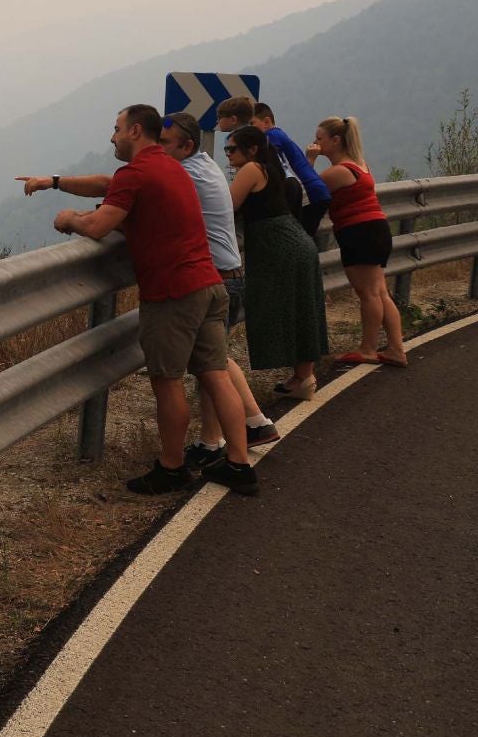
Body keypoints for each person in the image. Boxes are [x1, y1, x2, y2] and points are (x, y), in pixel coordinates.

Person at [18, 112, 279, 468]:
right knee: (217, 375)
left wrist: (69, 220)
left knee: (167, 381)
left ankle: (171, 467)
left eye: (116, 129)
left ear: (135, 131)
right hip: (211, 282)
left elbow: (98, 225)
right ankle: (239, 464)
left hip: (174, 292)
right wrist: (55, 181)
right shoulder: (176, 168)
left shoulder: (139, 172)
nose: (112, 138)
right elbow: (119, 192)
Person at [224, 126, 328, 400]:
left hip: (279, 246)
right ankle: (303, 377)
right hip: (291, 242)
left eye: (232, 148)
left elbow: (228, 204)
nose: (228, 155)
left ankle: (304, 377)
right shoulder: (272, 169)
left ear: (253, 149)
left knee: (287, 306)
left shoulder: (251, 169)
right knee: (301, 308)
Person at [309, 115, 408, 366]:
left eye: (319, 139)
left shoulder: (338, 172)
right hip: (376, 229)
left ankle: (368, 349)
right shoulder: (359, 164)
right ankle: (396, 349)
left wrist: (309, 160)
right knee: (380, 292)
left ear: (335, 140)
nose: (315, 143)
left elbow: (308, 190)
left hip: (358, 233)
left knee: (368, 294)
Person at [216, 96, 331, 239]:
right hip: (294, 185)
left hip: (289, 188)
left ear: (233, 120)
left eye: (219, 117)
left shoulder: (239, 137)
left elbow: (239, 175)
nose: (229, 152)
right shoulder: (264, 135)